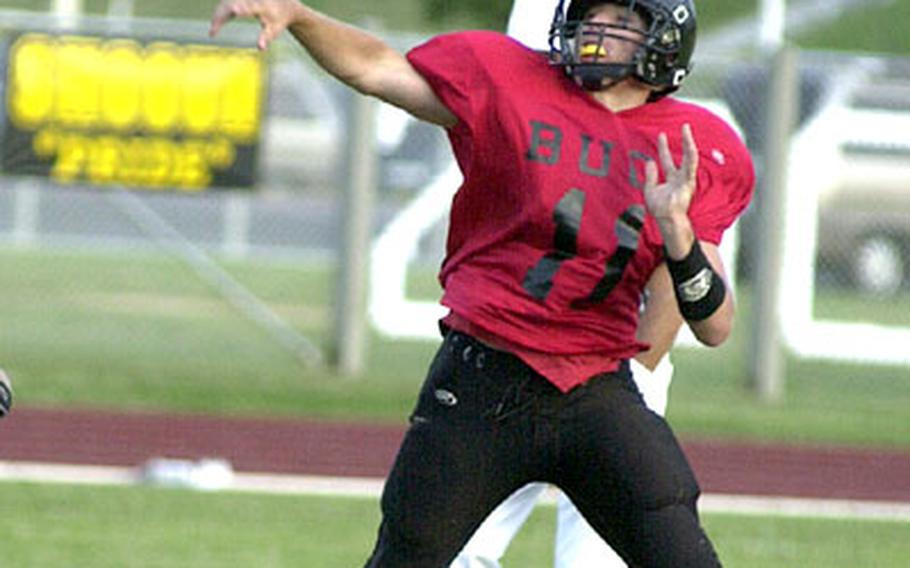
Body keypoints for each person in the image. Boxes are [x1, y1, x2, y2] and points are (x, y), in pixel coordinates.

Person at [209, 0, 754, 565]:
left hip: (596, 390)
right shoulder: (509, 77)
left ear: (665, 38)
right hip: (483, 381)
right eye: (591, 12)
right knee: (406, 556)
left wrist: (677, 232)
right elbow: (374, 68)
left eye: (620, 17)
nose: (595, 28)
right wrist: (300, 17)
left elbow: (715, 325)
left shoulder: (691, 145)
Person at [454, 1, 751, 565]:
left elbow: (685, 291)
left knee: (596, 558)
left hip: (613, 366)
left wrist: (626, 383)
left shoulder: (661, 135)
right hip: (505, 362)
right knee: (454, 549)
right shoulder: (523, 96)